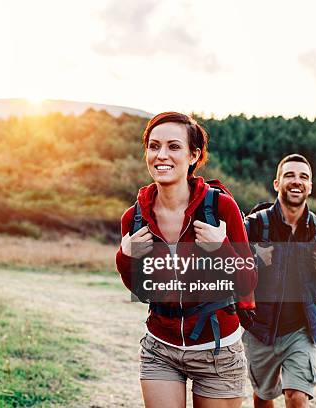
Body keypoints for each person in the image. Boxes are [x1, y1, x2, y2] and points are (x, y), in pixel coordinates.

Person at [115, 112, 257, 408]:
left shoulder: (220, 208)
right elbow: (142, 291)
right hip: (160, 348)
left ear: (194, 155)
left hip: (217, 351)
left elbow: (248, 282)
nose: (161, 155)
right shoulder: (134, 217)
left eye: (173, 147)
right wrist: (126, 258)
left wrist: (222, 250)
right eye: (154, 146)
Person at [243, 154, 316, 408]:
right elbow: (229, 268)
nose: (296, 181)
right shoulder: (254, 225)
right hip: (259, 328)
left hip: (302, 329)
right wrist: (255, 259)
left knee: (296, 396)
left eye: (303, 177)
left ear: (310, 186)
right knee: (264, 396)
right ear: (277, 183)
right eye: (289, 175)